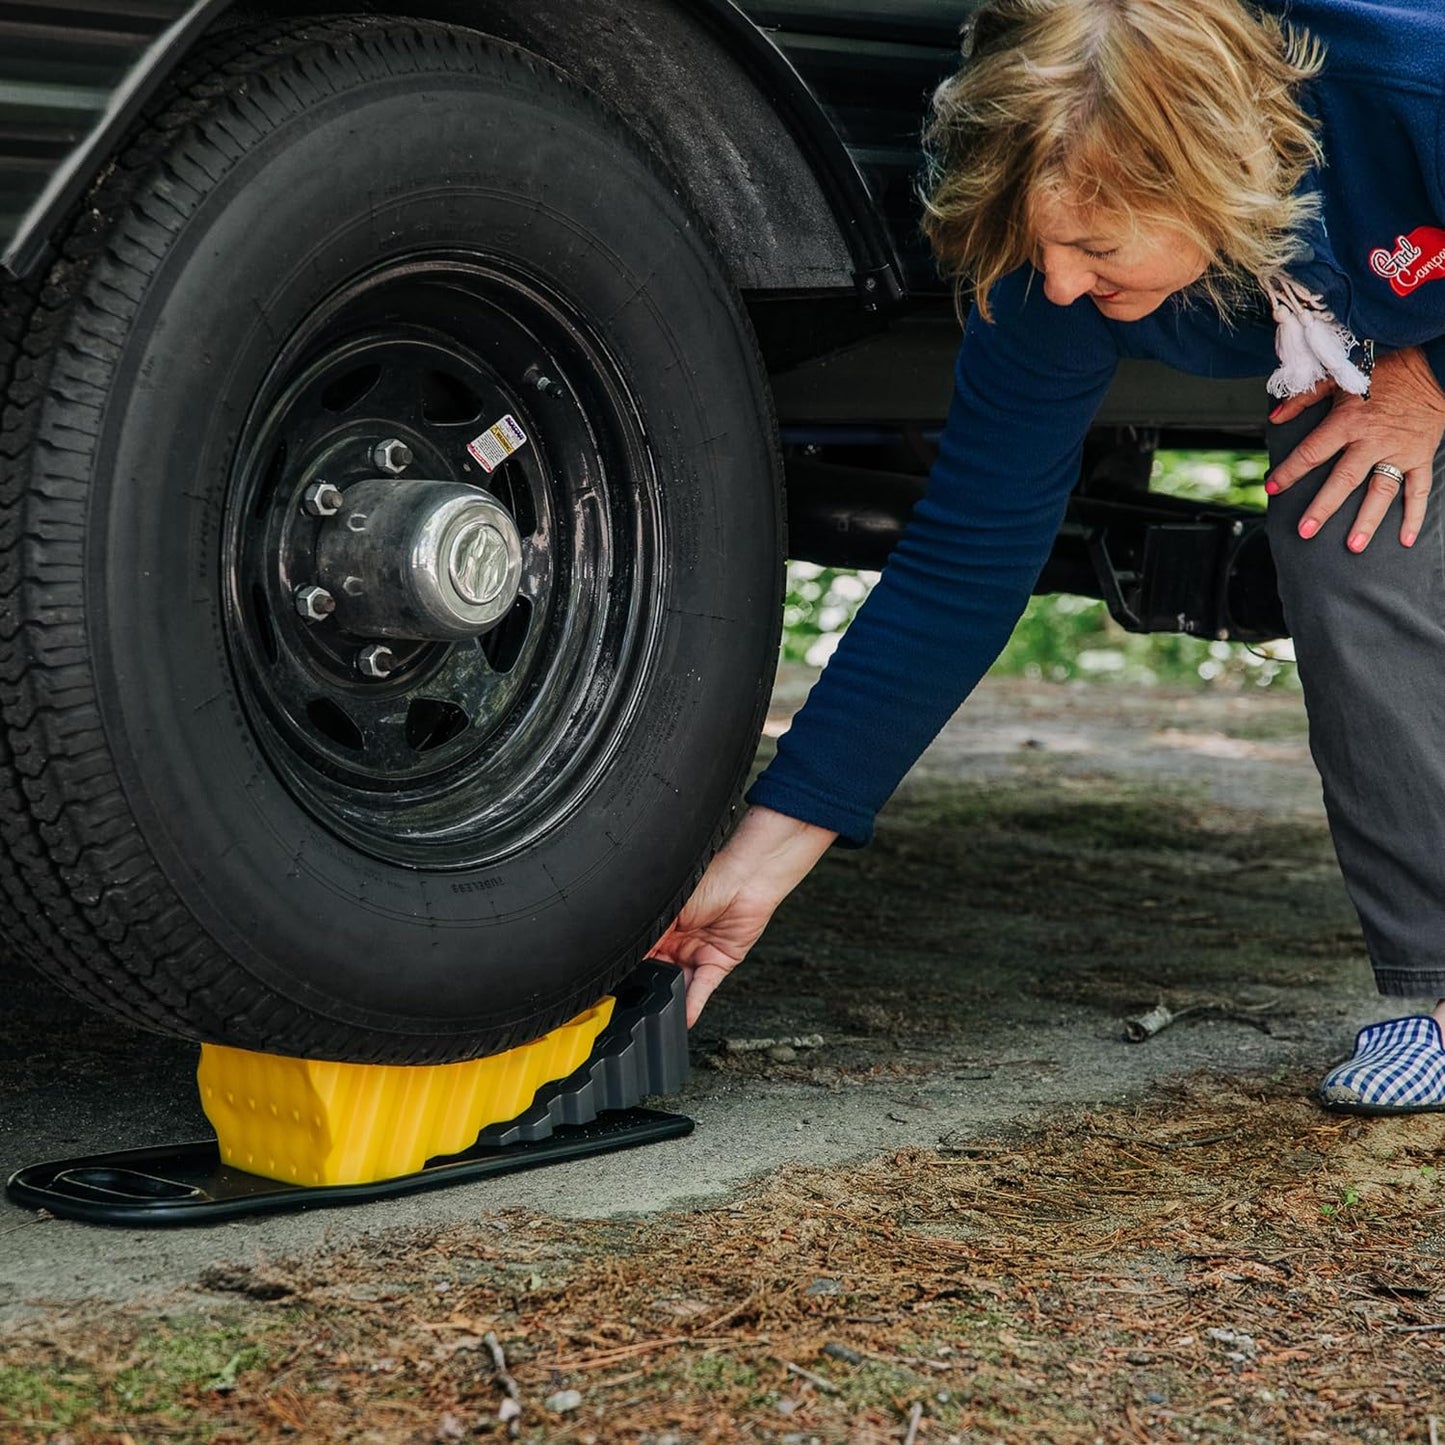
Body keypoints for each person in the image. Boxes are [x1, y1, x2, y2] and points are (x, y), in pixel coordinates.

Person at [651, 0, 1445, 1114]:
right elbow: (962, 563)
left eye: (1092, 246)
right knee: (1342, 508)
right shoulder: (1041, 270)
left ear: (1211, 173)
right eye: (1040, 243)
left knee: (1384, 443)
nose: (1061, 281)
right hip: (1340, 317)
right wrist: (754, 869)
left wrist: (1425, 374)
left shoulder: (1416, 82)